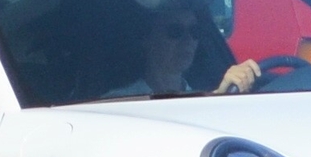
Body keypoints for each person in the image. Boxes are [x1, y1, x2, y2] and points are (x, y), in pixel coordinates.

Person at [107, 11, 259, 99]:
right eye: (175, 31)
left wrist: (222, 95)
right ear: (147, 39)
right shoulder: (117, 100)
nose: (188, 40)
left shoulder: (201, 94)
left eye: (194, 32)